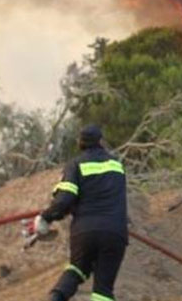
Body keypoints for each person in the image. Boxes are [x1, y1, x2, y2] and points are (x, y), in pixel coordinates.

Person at [33, 125, 128, 301]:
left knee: (76, 269)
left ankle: (55, 298)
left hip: (85, 232)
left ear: (80, 143)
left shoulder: (76, 165)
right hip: (115, 232)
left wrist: (45, 218)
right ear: (101, 142)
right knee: (103, 290)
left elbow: (65, 199)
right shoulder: (117, 165)